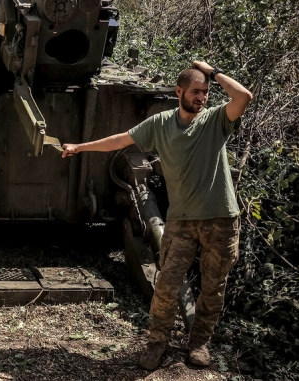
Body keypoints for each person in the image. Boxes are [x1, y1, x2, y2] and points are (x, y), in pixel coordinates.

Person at [61, 61, 252, 370]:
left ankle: (200, 343)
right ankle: (157, 345)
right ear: (179, 92)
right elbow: (120, 140)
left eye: (205, 92)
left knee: (213, 287)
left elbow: (243, 97)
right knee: (166, 286)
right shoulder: (161, 124)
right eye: (195, 92)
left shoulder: (216, 120)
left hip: (221, 219)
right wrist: (80, 147)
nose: (202, 97)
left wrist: (212, 72)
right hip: (181, 219)